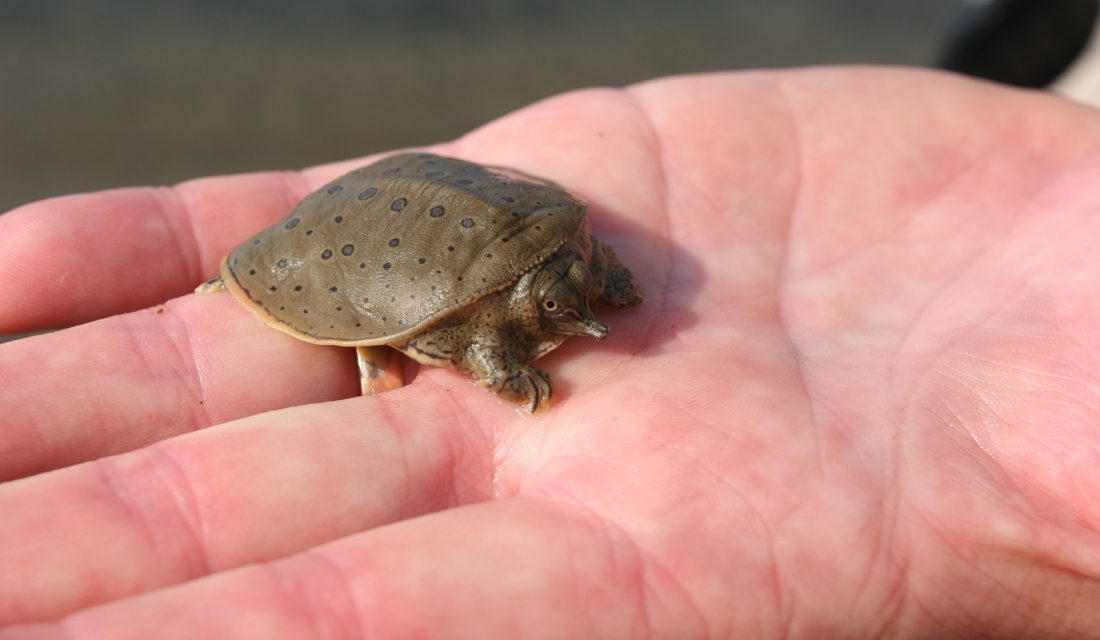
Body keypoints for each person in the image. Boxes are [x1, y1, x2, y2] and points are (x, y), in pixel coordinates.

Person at [2, 66, 1099, 638]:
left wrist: (582, 274)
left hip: (487, 226)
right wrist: (504, 361)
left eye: (584, 283)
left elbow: (574, 269)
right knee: (466, 329)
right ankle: (247, 275)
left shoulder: (574, 249)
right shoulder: (489, 316)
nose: (591, 295)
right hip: (392, 267)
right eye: (574, 288)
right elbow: (466, 325)